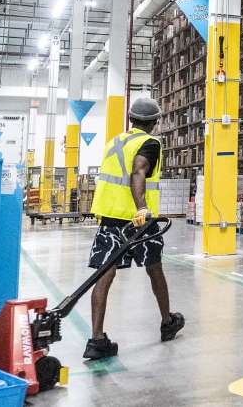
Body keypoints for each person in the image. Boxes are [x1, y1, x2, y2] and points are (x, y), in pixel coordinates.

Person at [83, 96, 184, 359]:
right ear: (154, 122)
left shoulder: (115, 141)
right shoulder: (149, 143)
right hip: (138, 221)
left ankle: (96, 339)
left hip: (109, 218)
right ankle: (167, 321)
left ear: (131, 118)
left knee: (104, 274)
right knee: (154, 268)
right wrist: (141, 207)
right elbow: (138, 172)